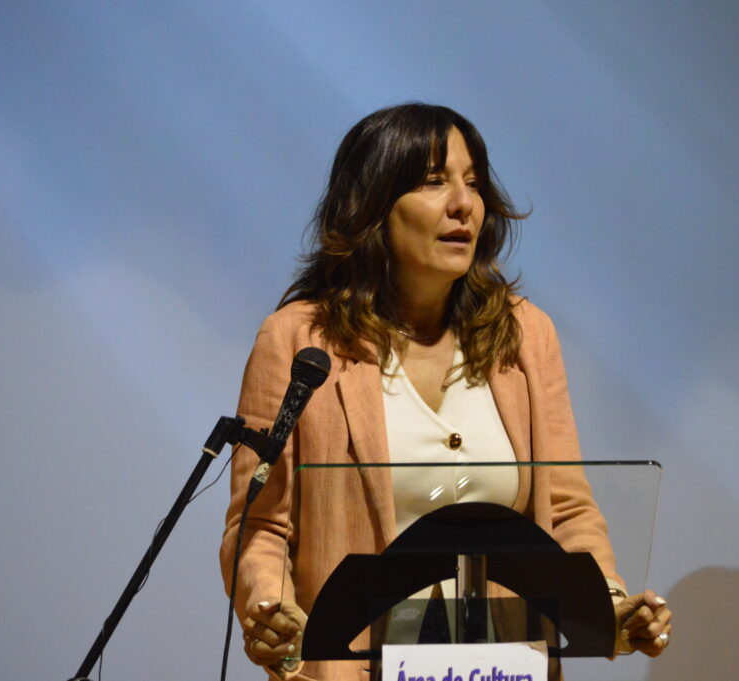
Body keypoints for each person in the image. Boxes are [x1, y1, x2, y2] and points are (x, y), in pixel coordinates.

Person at [220, 103, 672, 680]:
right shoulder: (298, 341)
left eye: (474, 183)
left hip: (507, 666)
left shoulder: (525, 335)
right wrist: (270, 607)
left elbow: (566, 507)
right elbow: (261, 525)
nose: (464, 203)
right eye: (435, 181)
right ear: (373, 204)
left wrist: (609, 602)